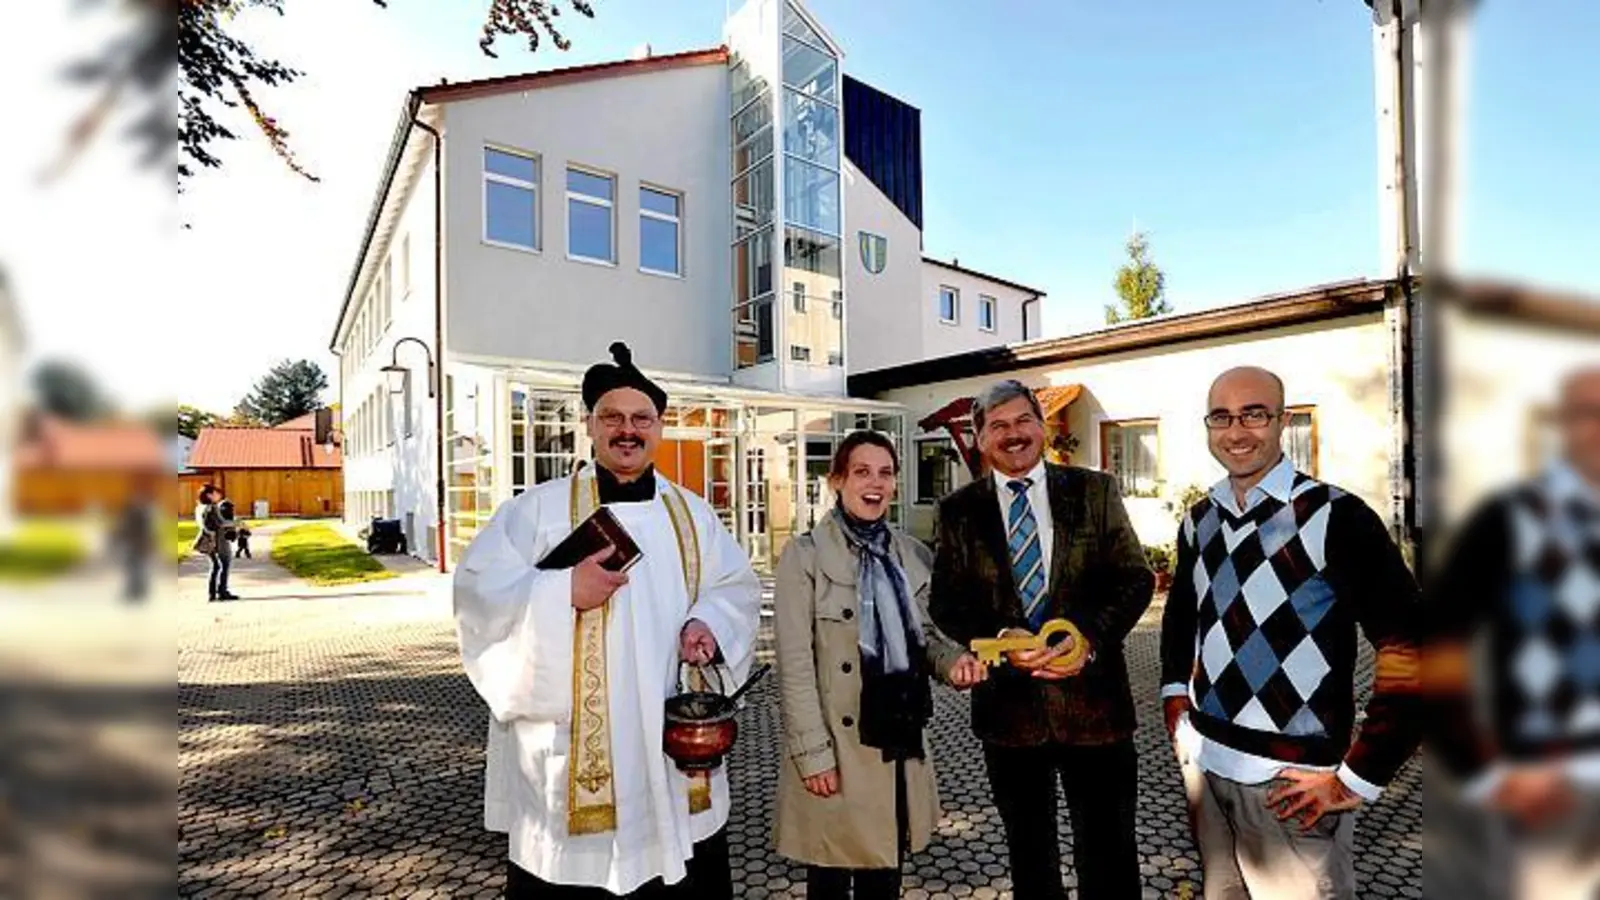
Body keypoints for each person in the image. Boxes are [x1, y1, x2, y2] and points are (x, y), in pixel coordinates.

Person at [454, 342, 762, 899]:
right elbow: (479, 595)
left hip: (670, 754)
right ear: (589, 426)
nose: (628, 430)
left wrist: (709, 624)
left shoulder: (692, 513)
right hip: (574, 754)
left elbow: (733, 587)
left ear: (659, 427)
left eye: (641, 418)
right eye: (612, 417)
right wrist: (560, 591)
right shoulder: (535, 511)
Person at [1159, 366, 1422, 899]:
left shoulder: (1337, 517)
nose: (1237, 432)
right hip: (1207, 766)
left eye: (1255, 414)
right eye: (1221, 417)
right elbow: (1182, 613)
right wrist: (1174, 698)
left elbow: (1412, 650)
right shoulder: (1199, 519)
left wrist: (1359, 775)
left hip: (1292, 782)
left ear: (1283, 421)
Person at [929, 379, 1154, 899]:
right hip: (1010, 717)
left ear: (1042, 426)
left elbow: (1135, 578)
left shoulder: (1095, 491)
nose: (1013, 435)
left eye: (1022, 421)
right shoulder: (957, 511)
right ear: (981, 438)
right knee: (1030, 857)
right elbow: (946, 602)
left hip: (1096, 709)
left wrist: (1090, 640)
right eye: (998, 426)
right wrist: (997, 638)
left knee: (1110, 856)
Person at [773, 430, 988, 899]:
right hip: (838, 748)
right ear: (836, 481)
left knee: (883, 879)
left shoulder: (911, 553)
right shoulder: (804, 556)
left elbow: (927, 639)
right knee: (828, 880)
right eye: (862, 472)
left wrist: (953, 664)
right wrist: (813, 757)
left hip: (895, 744)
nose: (875, 483)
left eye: (886, 473)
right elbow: (794, 667)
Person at [1428, 365, 1600, 900]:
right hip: (1554, 792)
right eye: (1588, 413)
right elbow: (1436, 647)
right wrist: (1481, 771)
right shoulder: (1510, 518)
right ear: (1564, 423)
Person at [192, 484, 238, 601]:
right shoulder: (212, 507)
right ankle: (222, 592)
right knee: (224, 564)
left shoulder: (199, 508)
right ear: (209, 495)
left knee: (215, 566)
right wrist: (236, 523)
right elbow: (221, 523)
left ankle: (212, 594)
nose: (218, 495)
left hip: (206, 540)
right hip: (218, 540)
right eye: (216, 493)